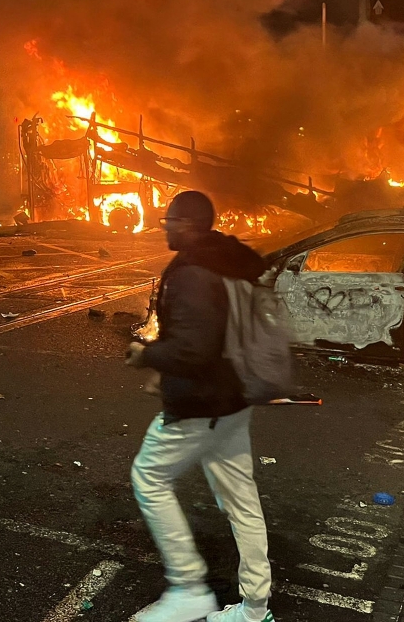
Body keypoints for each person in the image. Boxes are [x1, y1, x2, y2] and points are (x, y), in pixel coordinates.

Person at [126, 190, 273, 622]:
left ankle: (188, 587)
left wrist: (147, 356)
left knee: (149, 477)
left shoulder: (193, 272)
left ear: (187, 224)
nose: (164, 227)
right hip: (233, 398)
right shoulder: (227, 259)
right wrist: (166, 374)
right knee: (242, 501)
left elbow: (195, 348)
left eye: (169, 220)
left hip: (203, 405)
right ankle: (254, 609)